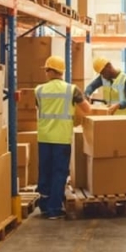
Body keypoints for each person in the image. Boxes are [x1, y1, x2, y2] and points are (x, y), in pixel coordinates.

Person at [35, 55, 92, 220]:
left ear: (51, 71)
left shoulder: (39, 90)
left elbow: (40, 107)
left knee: (44, 171)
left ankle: (44, 206)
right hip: (61, 138)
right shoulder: (72, 90)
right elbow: (87, 109)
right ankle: (54, 210)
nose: (45, 73)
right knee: (59, 173)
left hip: (44, 137)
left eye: (46, 70)